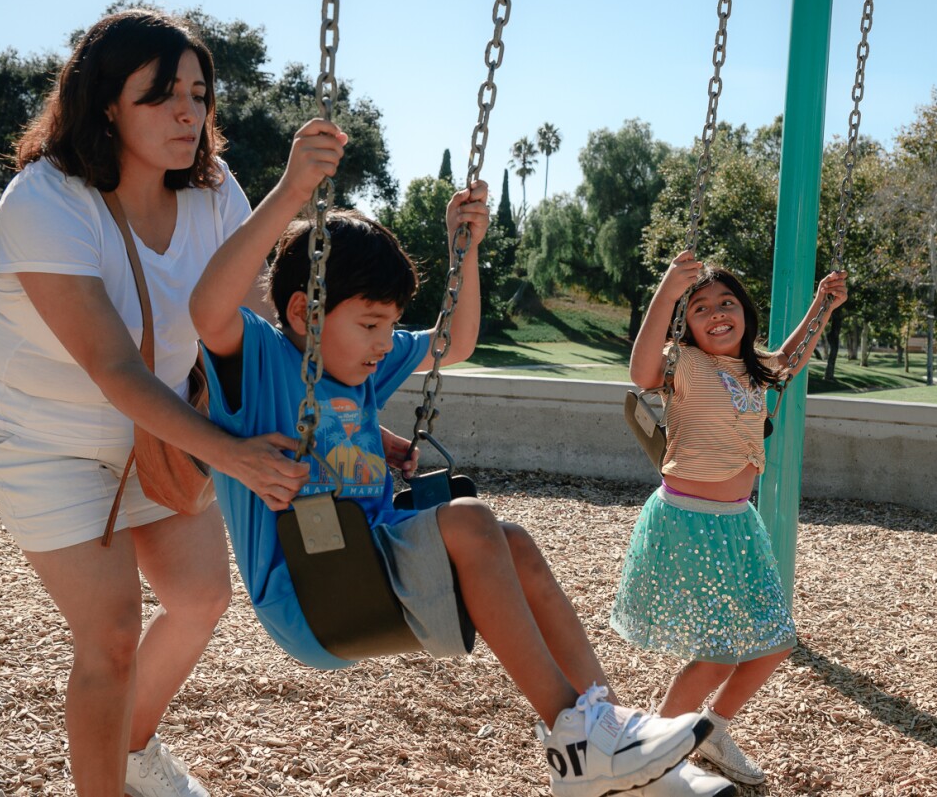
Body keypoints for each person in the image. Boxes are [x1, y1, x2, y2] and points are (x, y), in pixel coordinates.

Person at [187, 121, 732, 797]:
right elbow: (208, 307)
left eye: (391, 324)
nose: (386, 343)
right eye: (370, 324)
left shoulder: (360, 371)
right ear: (304, 310)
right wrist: (295, 189)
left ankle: (612, 735)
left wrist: (464, 251)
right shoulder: (264, 363)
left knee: (517, 545)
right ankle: (580, 742)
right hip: (315, 588)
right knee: (472, 523)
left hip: (375, 566)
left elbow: (457, 339)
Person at [0, 10, 314, 797]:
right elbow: (113, 366)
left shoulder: (217, 196)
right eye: (161, 95)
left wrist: (362, 427)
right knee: (112, 634)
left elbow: (261, 335)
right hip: (36, 436)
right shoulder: (44, 201)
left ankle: (133, 750)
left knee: (201, 595)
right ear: (106, 103)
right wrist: (235, 456)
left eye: (198, 93)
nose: (189, 112)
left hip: (154, 431)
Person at [611, 250, 848, 787]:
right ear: (687, 325)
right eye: (700, 308)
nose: (716, 312)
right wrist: (669, 291)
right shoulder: (685, 365)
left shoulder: (757, 371)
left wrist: (823, 304)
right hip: (688, 521)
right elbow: (641, 371)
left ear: (745, 312)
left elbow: (789, 359)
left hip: (740, 523)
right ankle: (653, 754)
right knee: (718, 655)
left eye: (726, 303)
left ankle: (709, 730)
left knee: (776, 641)